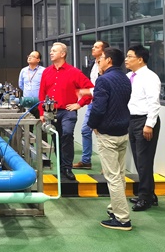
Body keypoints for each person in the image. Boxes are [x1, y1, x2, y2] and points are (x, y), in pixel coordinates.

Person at [85, 47, 132, 230]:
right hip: (123, 131)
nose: (99, 61)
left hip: (108, 134)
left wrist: (92, 124)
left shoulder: (103, 80)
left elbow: (98, 108)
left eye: (101, 58)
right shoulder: (125, 79)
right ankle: (115, 208)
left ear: (109, 60)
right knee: (119, 175)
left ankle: (122, 219)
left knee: (112, 177)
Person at [38, 42, 94, 181]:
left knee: (67, 134)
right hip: (51, 112)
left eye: (54, 51)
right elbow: (42, 93)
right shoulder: (46, 72)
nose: (51, 53)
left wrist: (79, 104)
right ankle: (61, 167)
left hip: (68, 111)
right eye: (51, 50)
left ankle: (67, 167)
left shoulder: (74, 72)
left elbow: (90, 90)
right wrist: (41, 112)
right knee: (56, 137)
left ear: (63, 54)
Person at [125, 44, 162, 211]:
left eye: (130, 56)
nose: (126, 59)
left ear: (140, 59)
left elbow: (154, 102)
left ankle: (145, 197)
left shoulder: (150, 77)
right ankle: (149, 194)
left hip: (144, 122)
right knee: (139, 160)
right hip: (132, 121)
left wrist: (149, 124)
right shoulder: (129, 76)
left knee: (144, 161)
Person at [74, 40, 109, 170]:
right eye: (93, 46)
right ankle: (86, 161)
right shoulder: (93, 64)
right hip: (92, 103)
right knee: (85, 130)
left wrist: (87, 92)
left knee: (103, 133)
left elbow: (103, 87)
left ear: (104, 50)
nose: (93, 49)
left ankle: (107, 164)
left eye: (96, 47)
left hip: (103, 104)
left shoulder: (107, 66)